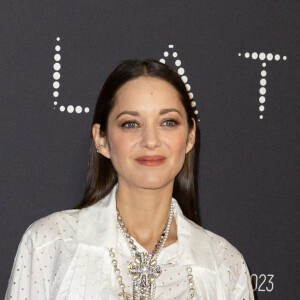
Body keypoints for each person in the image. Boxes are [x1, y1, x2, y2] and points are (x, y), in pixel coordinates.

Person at [5, 59, 254, 300]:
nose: (151, 141)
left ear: (190, 136)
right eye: (131, 124)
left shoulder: (224, 265)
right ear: (101, 139)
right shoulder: (51, 243)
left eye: (168, 122)